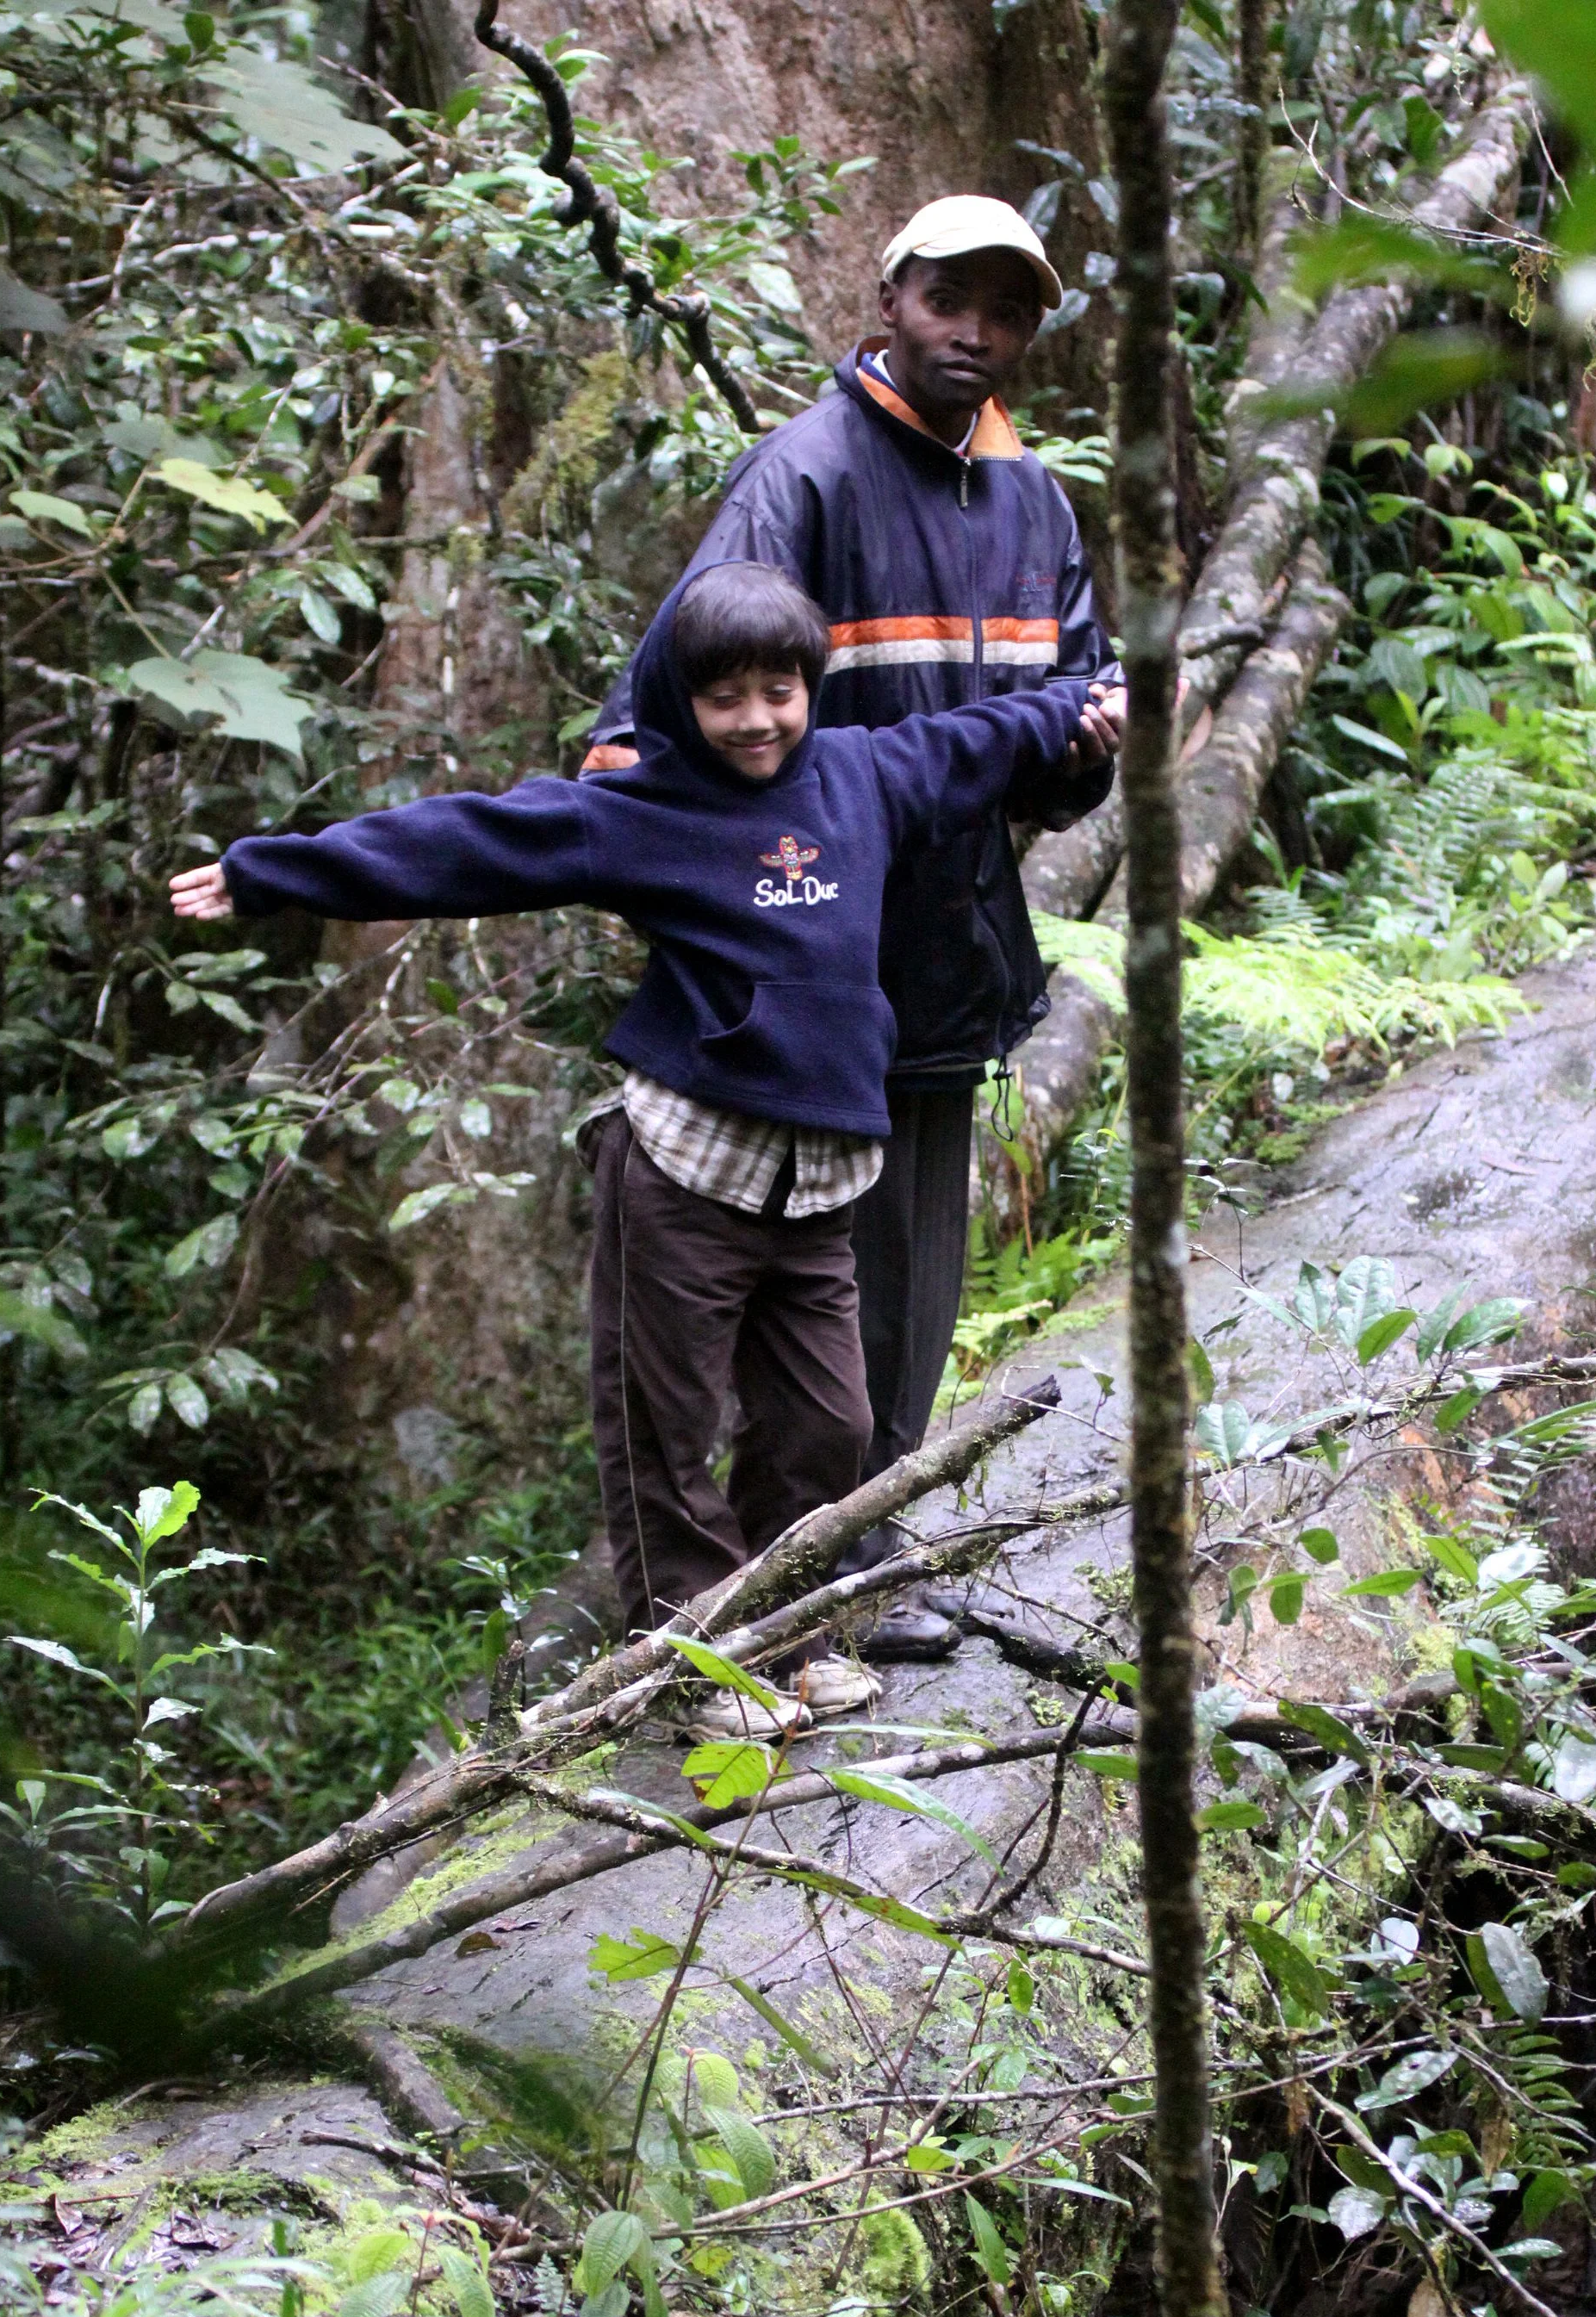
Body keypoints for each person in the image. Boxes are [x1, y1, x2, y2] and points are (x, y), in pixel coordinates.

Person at [172, 562, 1122, 1728]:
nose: (760, 718)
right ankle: (693, 1668)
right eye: (727, 696)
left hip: (818, 1184)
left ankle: (788, 1632)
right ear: (683, 700)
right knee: (663, 1434)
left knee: (828, 1422)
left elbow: (983, 736)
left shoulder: (867, 774)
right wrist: (269, 872)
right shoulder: (642, 811)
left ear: (810, 685)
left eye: (781, 688)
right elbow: (467, 843)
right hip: (685, 1177)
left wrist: (1079, 710)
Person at [579, 194, 1118, 1581]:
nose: (975, 335)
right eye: (951, 302)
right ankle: (771, 1580)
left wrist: (1084, 744)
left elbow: (1062, 739)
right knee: (776, 1296)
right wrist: (720, 922)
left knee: (908, 1293)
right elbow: (655, 721)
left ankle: (850, 1561)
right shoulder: (803, 479)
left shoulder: (1033, 502)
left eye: (1007, 313)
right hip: (805, 970)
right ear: (890, 301)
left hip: (944, 964)